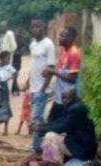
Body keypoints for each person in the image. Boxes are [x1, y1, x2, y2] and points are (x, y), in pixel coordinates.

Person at [37, 88, 97, 161]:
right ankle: (49, 161)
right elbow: (59, 121)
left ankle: (54, 164)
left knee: (50, 136)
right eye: (63, 98)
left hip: (82, 149)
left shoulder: (75, 109)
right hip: (80, 145)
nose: (64, 101)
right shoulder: (74, 105)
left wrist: (39, 129)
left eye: (67, 98)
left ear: (74, 97)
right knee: (51, 135)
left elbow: (61, 127)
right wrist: (41, 127)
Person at [28, 19, 56, 155]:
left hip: (42, 88)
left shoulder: (49, 45)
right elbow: (33, 65)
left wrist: (43, 89)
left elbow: (50, 68)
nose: (34, 29)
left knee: (35, 118)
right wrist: (28, 82)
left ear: (43, 27)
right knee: (39, 119)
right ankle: (41, 146)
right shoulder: (33, 44)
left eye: (37, 27)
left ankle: (37, 148)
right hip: (33, 87)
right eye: (32, 27)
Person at [46, 26, 81, 123]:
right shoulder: (64, 50)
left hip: (67, 99)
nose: (59, 37)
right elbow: (61, 72)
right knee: (52, 124)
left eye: (62, 36)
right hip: (59, 97)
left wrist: (53, 72)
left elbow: (72, 78)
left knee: (56, 127)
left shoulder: (74, 53)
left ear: (70, 38)